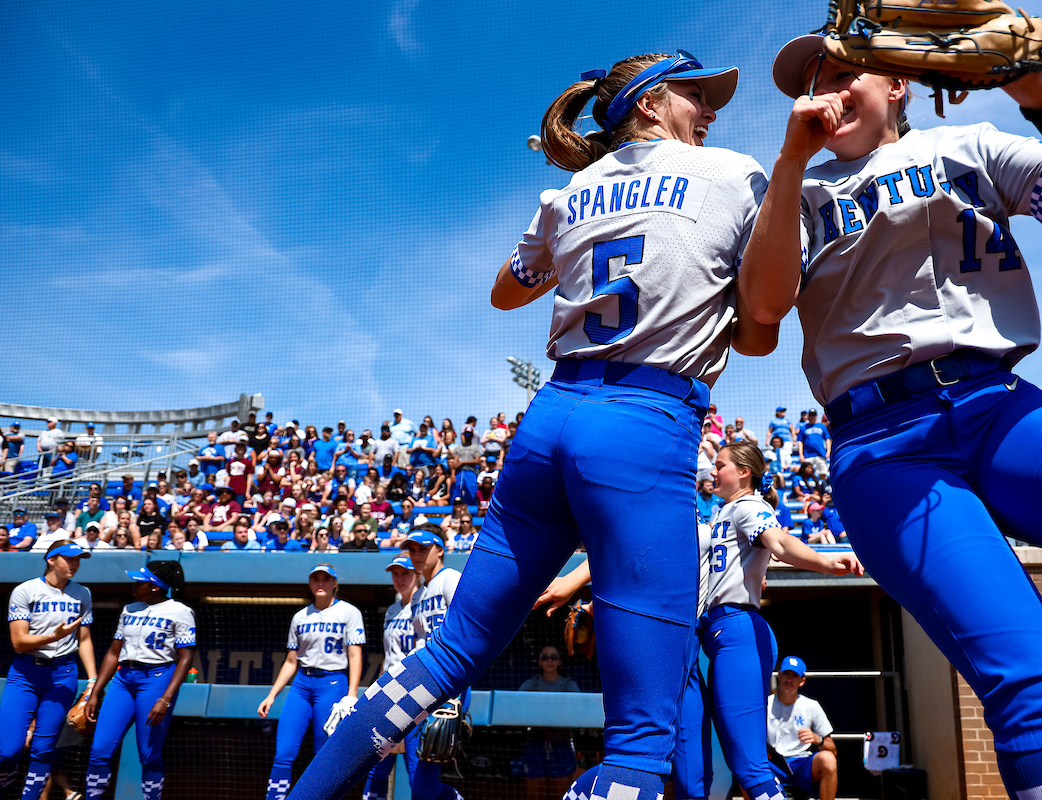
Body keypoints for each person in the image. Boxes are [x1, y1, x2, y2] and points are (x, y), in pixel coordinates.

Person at [287, 49, 781, 800]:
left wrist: (586, 232)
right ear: (648, 104)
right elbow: (762, 328)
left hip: (551, 419)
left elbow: (504, 295)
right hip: (645, 421)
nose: (710, 107)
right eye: (694, 94)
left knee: (443, 660)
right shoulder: (732, 173)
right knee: (643, 738)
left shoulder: (572, 189)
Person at [739, 33, 1042, 800]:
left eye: (849, 73)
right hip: (884, 448)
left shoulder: (968, 146)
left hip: (1002, 408)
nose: (828, 91)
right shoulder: (797, 194)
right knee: (1030, 685)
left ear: (900, 87)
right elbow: (760, 309)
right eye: (817, 81)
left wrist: (1036, 89)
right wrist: (789, 166)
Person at [692, 443, 859, 800]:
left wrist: (827, 564)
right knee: (747, 765)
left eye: (720, 465)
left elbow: (779, 542)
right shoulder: (724, 512)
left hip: (736, 630)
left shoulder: (747, 504)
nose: (712, 471)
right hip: (727, 632)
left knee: (749, 767)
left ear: (743, 472)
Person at [84, 561, 194, 800]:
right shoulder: (129, 609)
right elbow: (114, 653)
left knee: (148, 753)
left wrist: (165, 699)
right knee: (99, 749)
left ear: (155, 587)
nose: (134, 585)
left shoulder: (180, 611)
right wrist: (95, 691)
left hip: (157, 678)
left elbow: (186, 658)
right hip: (123, 679)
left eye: (140, 582)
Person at [362, 554, 463, 800]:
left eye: (405, 572)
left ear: (416, 574)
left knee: (416, 775)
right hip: (391, 690)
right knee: (375, 769)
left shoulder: (424, 602)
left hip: (416, 689)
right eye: (395, 574)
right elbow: (389, 657)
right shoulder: (392, 610)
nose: (399, 578)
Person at [258, 564, 364, 800]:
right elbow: (290, 661)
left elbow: (355, 655)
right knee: (283, 752)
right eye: (315, 578)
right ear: (309, 583)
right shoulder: (300, 616)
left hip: (333, 682)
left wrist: (352, 693)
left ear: (335, 583)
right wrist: (272, 695)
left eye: (325, 579)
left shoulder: (349, 612)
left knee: (323, 752)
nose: (320, 583)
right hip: (301, 684)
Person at [0, 541, 96, 800]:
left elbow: (84, 639)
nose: (75, 564)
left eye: (79, 559)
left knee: (43, 749)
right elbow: (18, 642)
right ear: (51, 559)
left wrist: (93, 680)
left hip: (63, 674)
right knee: (7, 750)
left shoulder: (82, 593)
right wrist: (55, 635)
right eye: (69, 558)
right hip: (26, 673)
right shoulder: (25, 590)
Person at [766, 656, 837, 800]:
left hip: (802, 762)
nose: (789, 679)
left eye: (794, 676)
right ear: (779, 675)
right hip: (773, 763)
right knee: (747, 766)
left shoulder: (811, 705)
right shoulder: (765, 704)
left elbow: (833, 749)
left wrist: (818, 739)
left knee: (828, 759)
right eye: (786, 674)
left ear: (802, 681)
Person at [519, 645, 581, 800]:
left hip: (562, 742)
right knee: (533, 794)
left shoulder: (569, 684)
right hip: (535, 741)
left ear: (559, 662)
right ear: (539, 662)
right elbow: (518, 705)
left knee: (561, 793)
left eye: (553, 657)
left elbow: (575, 711)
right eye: (545, 657)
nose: (549, 661)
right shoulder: (531, 684)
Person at [799, 409, 831, 477]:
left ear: (816, 416)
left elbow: (827, 439)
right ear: (808, 416)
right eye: (811, 415)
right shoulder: (803, 427)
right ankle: (809, 487)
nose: (812, 417)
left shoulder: (822, 426)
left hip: (820, 454)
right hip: (807, 455)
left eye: (814, 415)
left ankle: (823, 487)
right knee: (806, 474)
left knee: (823, 473)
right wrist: (801, 454)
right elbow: (800, 441)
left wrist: (828, 451)